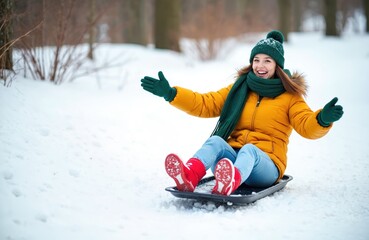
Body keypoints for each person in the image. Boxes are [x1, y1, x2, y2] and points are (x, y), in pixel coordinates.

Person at [140, 30, 344, 196]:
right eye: (256, 60)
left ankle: (230, 182)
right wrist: (171, 94)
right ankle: (189, 176)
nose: (260, 66)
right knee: (216, 142)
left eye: (267, 61)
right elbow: (205, 103)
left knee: (250, 150)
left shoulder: (290, 96)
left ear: (277, 66)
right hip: (230, 163)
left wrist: (322, 119)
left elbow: (306, 125)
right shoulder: (239, 89)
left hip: (266, 166)